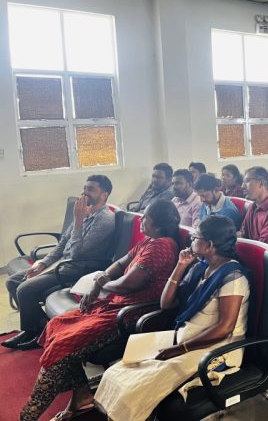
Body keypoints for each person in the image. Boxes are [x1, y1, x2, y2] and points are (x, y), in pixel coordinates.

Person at [19, 200, 181, 421]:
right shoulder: (149, 241)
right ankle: (82, 397)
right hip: (115, 304)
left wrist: (104, 284)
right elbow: (120, 264)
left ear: (158, 224)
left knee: (63, 344)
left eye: (146, 217)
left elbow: (129, 283)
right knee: (57, 325)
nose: (141, 220)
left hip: (131, 313)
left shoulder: (162, 246)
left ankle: (28, 415)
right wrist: (98, 283)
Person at [94, 215, 250, 421]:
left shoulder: (233, 277)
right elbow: (166, 303)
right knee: (117, 373)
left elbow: (225, 328)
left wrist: (179, 349)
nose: (191, 240)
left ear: (209, 245)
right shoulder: (201, 268)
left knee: (137, 387)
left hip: (216, 349)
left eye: (195, 237)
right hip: (186, 338)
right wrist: (180, 266)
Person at [3, 175, 116, 351]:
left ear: (104, 194)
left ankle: (35, 331)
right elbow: (62, 243)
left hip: (78, 269)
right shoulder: (84, 213)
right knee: (12, 281)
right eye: (84, 188)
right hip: (63, 264)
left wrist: (78, 221)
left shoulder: (105, 219)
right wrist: (43, 263)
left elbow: (77, 254)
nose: (84, 193)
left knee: (24, 289)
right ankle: (39, 328)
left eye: (90, 189)